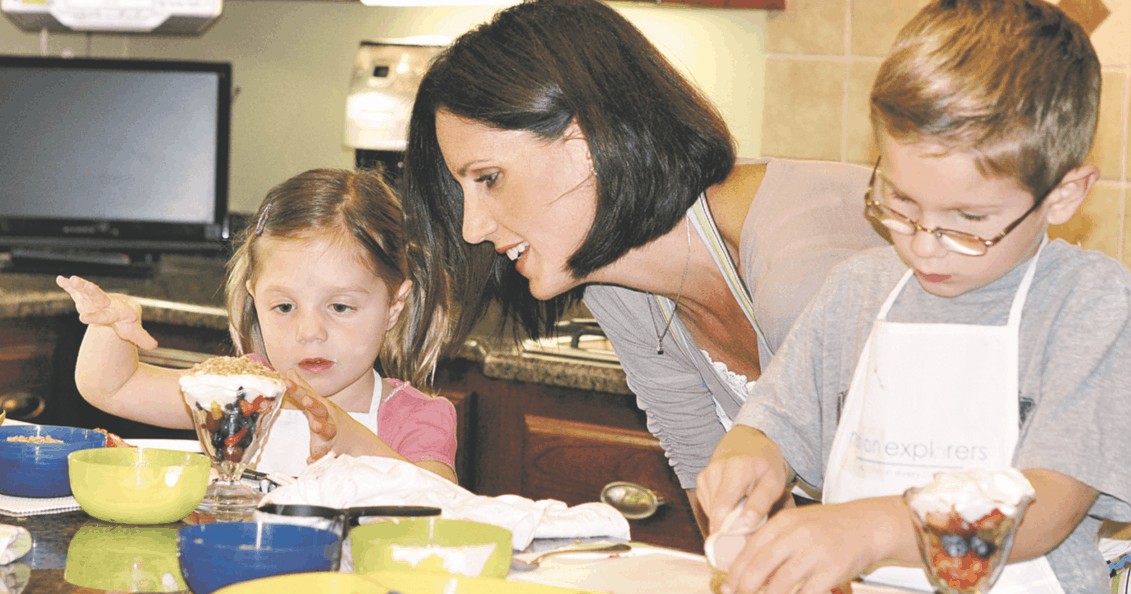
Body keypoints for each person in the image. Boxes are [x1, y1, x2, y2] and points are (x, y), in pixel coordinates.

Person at [695, 0, 1131, 594]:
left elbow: (1050, 505)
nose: (923, 243)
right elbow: (773, 427)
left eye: (969, 222)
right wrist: (745, 462)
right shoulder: (856, 290)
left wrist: (871, 531)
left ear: (1064, 194)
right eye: (902, 203)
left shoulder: (1090, 303)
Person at [402, 0, 883, 526]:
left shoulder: (803, 264)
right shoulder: (622, 291)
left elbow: (931, 499)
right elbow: (726, 506)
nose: (472, 228)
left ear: (585, 140)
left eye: (488, 178)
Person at [57, 168, 458, 483]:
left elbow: (445, 515)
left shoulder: (417, 418)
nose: (310, 331)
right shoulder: (241, 394)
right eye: (284, 306)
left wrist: (352, 441)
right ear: (255, 298)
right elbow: (112, 388)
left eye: (339, 306)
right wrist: (111, 327)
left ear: (394, 306)